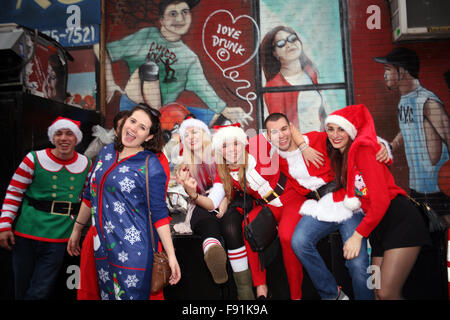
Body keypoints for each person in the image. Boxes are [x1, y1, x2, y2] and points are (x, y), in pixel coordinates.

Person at [180, 123, 321, 299]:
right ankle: (260, 288)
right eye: (224, 146)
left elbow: (287, 128)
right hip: (268, 205)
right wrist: (193, 194)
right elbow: (211, 203)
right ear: (219, 151)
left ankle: (296, 295)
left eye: (235, 143)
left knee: (286, 236)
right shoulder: (223, 172)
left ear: (243, 142)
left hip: (290, 197)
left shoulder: (259, 144)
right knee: (247, 227)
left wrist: (303, 146)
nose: (231, 149)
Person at [264, 112, 389, 300]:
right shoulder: (276, 160)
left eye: (284, 129)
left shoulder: (316, 138)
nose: (281, 135)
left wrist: (381, 145)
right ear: (267, 136)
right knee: (299, 241)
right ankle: (332, 295)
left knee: (357, 262)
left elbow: (351, 136)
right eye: (274, 132)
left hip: (346, 202)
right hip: (320, 207)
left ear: (292, 127)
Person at [67, 104, 181, 300]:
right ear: (125, 122)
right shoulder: (106, 152)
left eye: (142, 127)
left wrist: (171, 255)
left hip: (133, 250)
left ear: (149, 137)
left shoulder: (150, 164)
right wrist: (77, 230)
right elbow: (90, 194)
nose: (134, 128)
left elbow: (160, 213)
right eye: (133, 121)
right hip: (102, 247)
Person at [324, 104, 431, 300]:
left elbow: (380, 202)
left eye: (341, 129)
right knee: (375, 290)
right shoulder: (346, 156)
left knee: (386, 292)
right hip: (378, 230)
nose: (335, 134)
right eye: (330, 129)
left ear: (350, 131)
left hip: (400, 222)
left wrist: (357, 235)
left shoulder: (364, 150)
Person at [96, 0, 251, 126]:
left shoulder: (189, 58)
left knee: (222, 121)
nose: (180, 19)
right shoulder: (147, 35)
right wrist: (109, 83)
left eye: (184, 12)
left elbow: (205, 91)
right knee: (149, 68)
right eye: (172, 14)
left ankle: (158, 122)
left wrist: (226, 111)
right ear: (162, 20)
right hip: (134, 104)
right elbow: (101, 48)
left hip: (165, 112)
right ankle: (156, 121)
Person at [0, 117, 91, 299]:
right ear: (52, 137)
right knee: (21, 287)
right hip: (27, 233)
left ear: (77, 138)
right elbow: (14, 192)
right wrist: (4, 226)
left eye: (69, 133)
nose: (63, 138)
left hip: (59, 237)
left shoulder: (86, 164)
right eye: (59, 133)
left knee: (40, 291)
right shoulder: (33, 159)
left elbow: (89, 199)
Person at [174, 117, 255, 299]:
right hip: (204, 203)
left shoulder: (221, 153)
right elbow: (198, 198)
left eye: (194, 132)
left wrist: (225, 199)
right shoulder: (186, 165)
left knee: (224, 221)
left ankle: (212, 247)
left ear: (204, 134)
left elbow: (227, 184)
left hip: (227, 199)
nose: (190, 137)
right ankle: (212, 250)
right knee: (205, 214)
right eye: (186, 135)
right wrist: (189, 190)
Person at [373, 47, 450, 223]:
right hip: (417, 185)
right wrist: (391, 146)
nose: (385, 75)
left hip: (437, 185)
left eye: (388, 69)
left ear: (402, 71)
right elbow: (408, 128)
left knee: (443, 225)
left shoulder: (427, 101)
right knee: (428, 231)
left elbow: (448, 135)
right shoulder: (405, 101)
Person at [261, 25, 330, 132]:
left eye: (292, 38)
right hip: (301, 145)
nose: (289, 44)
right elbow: (279, 130)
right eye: (281, 43)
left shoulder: (310, 73)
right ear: (274, 53)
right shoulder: (274, 86)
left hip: (320, 141)